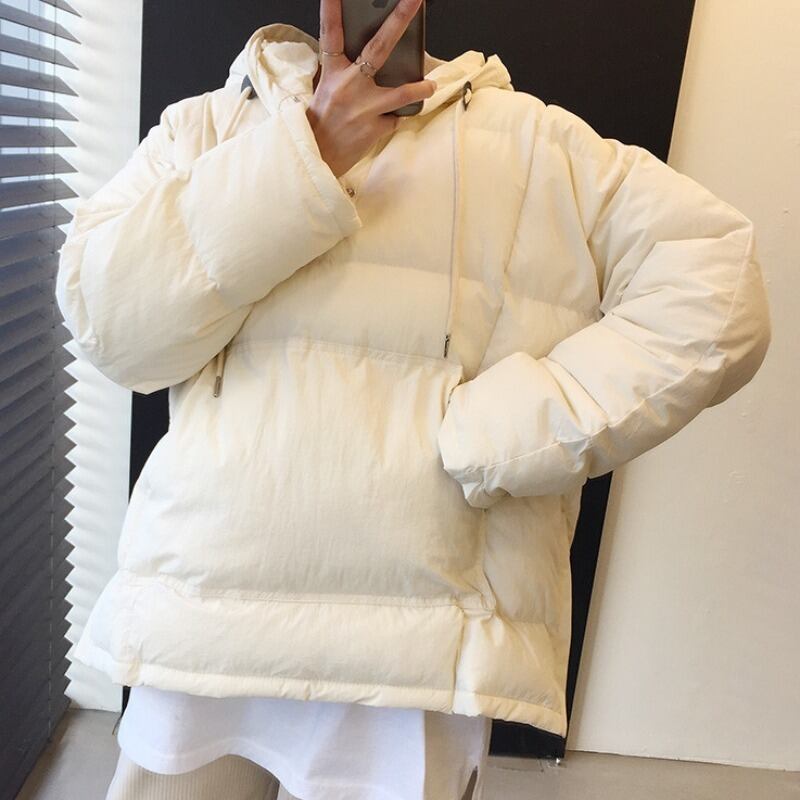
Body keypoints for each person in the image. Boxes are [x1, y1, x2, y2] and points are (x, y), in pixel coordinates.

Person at [55, 0, 772, 797]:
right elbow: (111, 325)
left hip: (421, 640)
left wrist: (501, 434)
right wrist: (306, 154)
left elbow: (719, 286)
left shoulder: (540, 147)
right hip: (206, 609)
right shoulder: (207, 129)